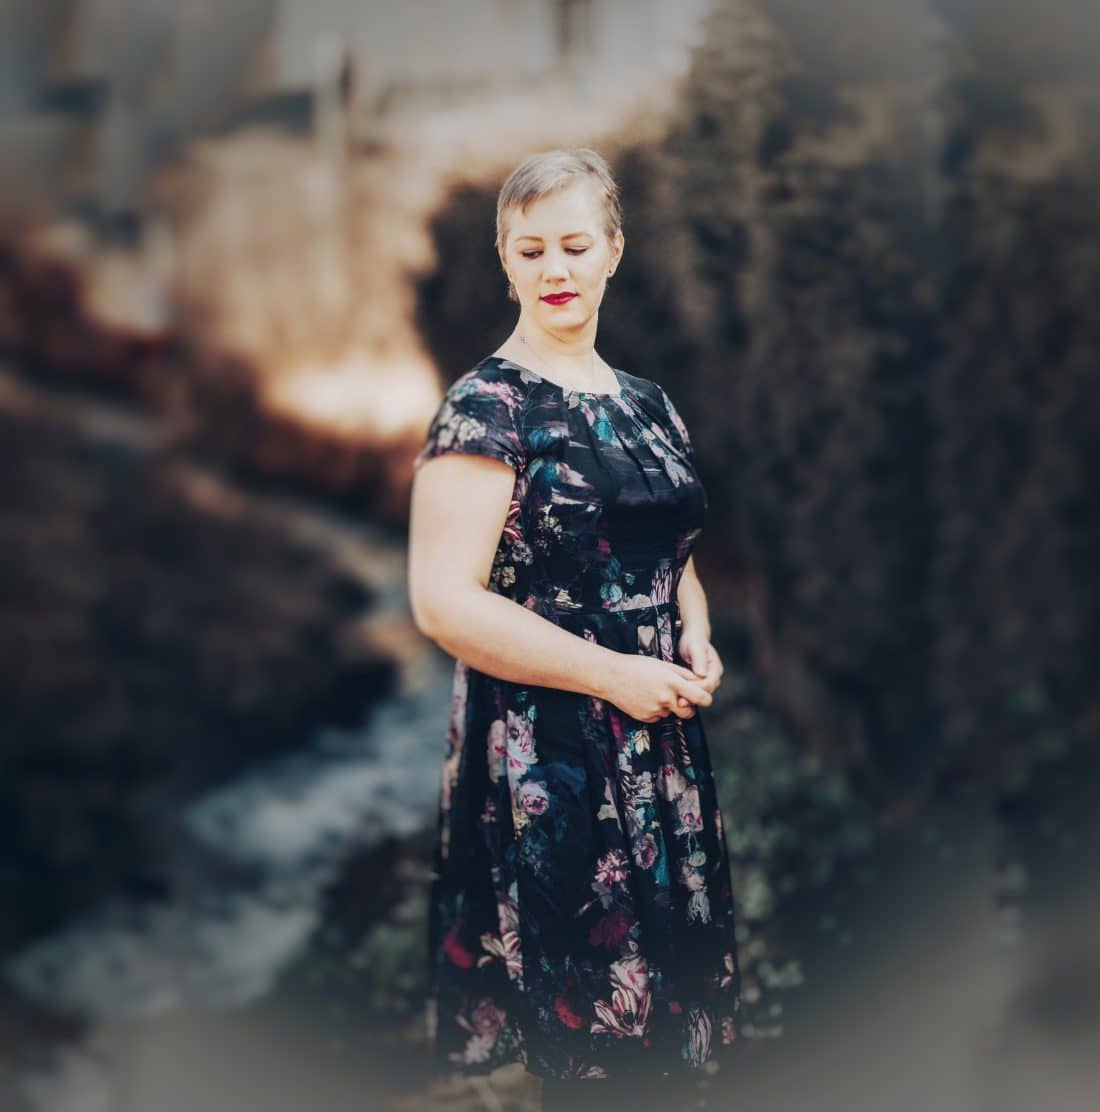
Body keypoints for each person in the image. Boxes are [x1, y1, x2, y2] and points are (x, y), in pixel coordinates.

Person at [407, 147, 743, 1110]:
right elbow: (444, 602)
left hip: (659, 743)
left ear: (613, 252)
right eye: (532, 250)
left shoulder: (646, 403)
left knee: (666, 1052)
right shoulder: (487, 408)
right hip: (554, 754)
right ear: (506, 263)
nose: (555, 268)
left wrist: (695, 634)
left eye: (575, 245)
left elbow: (672, 557)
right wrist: (612, 675)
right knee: (598, 1060)